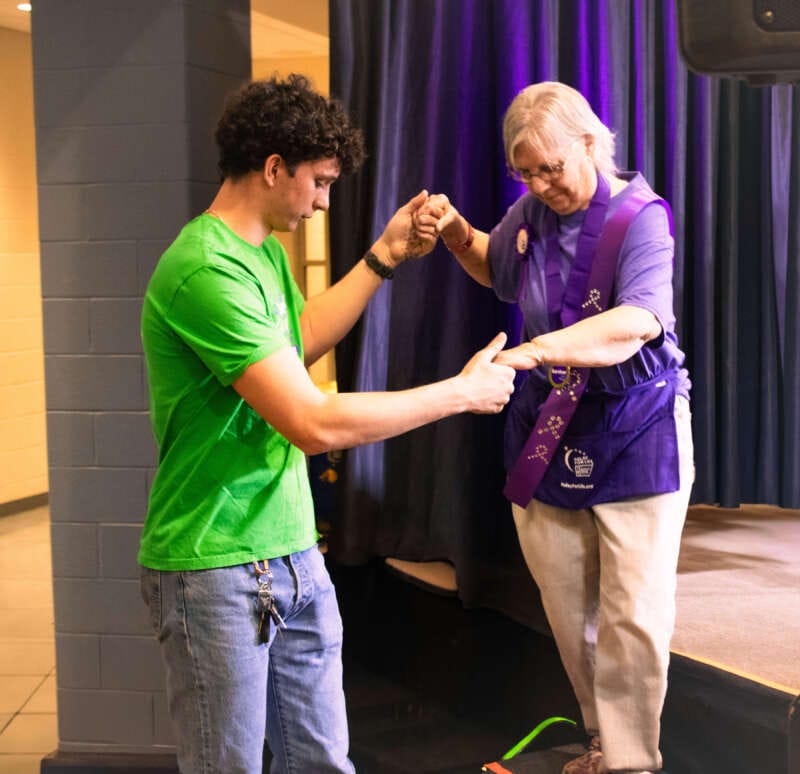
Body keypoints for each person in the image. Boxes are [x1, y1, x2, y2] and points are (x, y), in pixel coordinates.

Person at [137, 73, 516, 774]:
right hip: (216, 567)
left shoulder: (261, 256)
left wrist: (385, 255)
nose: (323, 201)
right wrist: (461, 394)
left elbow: (300, 337)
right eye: (319, 182)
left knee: (321, 764)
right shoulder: (202, 270)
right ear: (274, 167)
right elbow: (312, 422)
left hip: (291, 551)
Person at [421, 81, 694, 774]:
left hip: (637, 422)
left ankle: (633, 762)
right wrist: (456, 232)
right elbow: (496, 267)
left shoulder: (641, 218)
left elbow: (637, 322)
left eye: (553, 167)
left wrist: (535, 349)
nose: (542, 184)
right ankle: (603, 739)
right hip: (553, 421)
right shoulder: (532, 213)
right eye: (527, 172)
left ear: (588, 143)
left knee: (633, 611)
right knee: (570, 608)